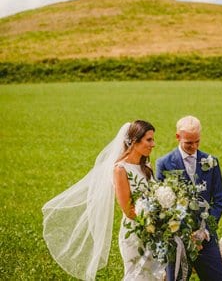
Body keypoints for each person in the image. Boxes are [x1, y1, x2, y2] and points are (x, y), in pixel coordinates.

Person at [43, 120, 165, 280]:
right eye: (149, 139)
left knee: (157, 276)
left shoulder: (145, 166)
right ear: (135, 141)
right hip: (135, 233)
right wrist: (153, 221)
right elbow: (128, 210)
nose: (153, 144)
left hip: (153, 231)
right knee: (138, 276)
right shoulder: (120, 169)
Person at [156, 116, 222, 281]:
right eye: (188, 143)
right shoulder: (164, 163)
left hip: (206, 238)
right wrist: (181, 234)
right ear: (178, 137)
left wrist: (205, 231)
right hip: (177, 241)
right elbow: (160, 204)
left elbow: (218, 200)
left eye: (197, 142)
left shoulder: (211, 162)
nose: (193, 147)